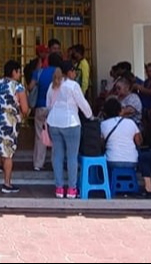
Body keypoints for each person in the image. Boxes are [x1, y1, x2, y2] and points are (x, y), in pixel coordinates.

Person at [45, 62, 94, 199]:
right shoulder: (73, 86)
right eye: (74, 71)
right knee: (72, 156)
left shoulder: (53, 85)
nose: (75, 74)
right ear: (70, 71)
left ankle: (59, 188)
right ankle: (72, 189)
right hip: (71, 123)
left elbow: (48, 105)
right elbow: (82, 103)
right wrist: (90, 115)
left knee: (57, 156)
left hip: (54, 123)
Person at [0, 60, 30, 194]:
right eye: (19, 72)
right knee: (9, 154)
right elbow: (24, 108)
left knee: (1, 147)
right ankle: (7, 183)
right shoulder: (18, 87)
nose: (20, 74)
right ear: (14, 72)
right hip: (9, 122)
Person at [101, 98, 142, 172]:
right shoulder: (130, 122)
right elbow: (139, 142)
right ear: (120, 111)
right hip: (132, 161)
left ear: (105, 113)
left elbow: (101, 144)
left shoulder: (103, 125)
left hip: (112, 160)